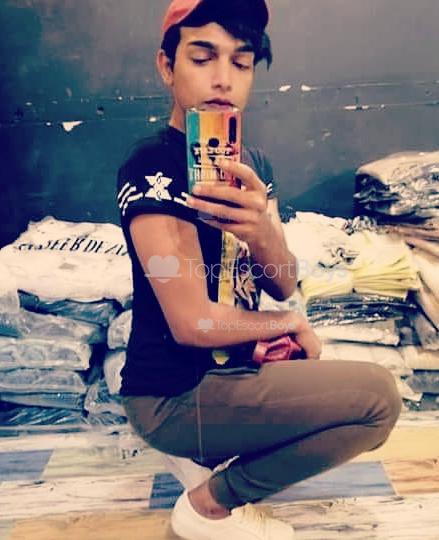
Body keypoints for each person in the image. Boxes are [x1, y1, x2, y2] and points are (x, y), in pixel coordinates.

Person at [116, 1, 402, 538]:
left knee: (351, 392)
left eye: (241, 62)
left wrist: (261, 231)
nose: (224, 78)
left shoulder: (253, 164)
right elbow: (192, 323)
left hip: (232, 370)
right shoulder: (152, 166)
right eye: (203, 57)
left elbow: (283, 280)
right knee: (377, 401)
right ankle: (210, 504)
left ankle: (218, 456)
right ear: (166, 66)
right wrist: (287, 323)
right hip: (174, 394)